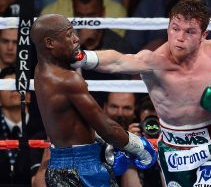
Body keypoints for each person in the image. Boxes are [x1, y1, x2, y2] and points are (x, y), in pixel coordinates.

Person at [72, 0, 211, 186]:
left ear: (204, 34)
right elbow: (118, 61)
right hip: (174, 148)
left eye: (190, 32)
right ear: (168, 27)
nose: (180, 37)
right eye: (175, 28)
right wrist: (81, 56)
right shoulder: (154, 62)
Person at [30, 13, 157, 187]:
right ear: (50, 43)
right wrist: (139, 147)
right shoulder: (68, 80)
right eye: (68, 35)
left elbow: (72, 121)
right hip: (85, 168)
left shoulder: (41, 71)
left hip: (57, 165)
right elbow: (108, 128)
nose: (76, 39)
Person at [0, 66, 45, 186]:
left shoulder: (44, 129)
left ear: (29, 96)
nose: (14, 89)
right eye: (8, 85)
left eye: (18, 85)